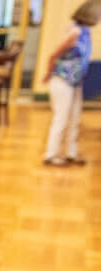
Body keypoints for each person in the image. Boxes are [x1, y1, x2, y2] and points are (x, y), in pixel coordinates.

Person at [43, 2, 97, 166]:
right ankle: (51, 155)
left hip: (75, 82)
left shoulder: (86, 32)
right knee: (61, 118)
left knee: (74, 118)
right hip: (62, 80)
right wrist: (47, 74)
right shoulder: (74, 32)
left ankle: (71, 153)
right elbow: (54, 54)